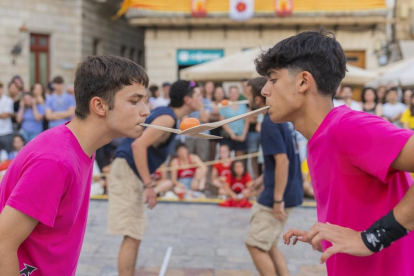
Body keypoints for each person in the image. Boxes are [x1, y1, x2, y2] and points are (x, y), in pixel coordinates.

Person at [251, 29, 414, 276]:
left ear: (304, 82)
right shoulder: (321, 137)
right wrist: (329, 233)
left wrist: (373, 237)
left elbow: (369, 238)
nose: (264, 90)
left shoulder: (346, 128)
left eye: (273, 79)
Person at [0, 55, 150, 275]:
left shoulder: (79, 147)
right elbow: (3, 244)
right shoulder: (56, 161)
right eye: (135, 101)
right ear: (99, 105)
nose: (145, 110)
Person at [108, 80, 202, 276]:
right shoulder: (167, 118)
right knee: (132, 233)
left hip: (129, 170)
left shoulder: (169, 116)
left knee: (135, 234)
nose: (201, 99)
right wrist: (149, 185)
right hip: (127, 171)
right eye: (198, 95)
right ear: (187, 99)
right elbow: (138, 146)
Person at [244, 77, 303, 276]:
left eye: (249, 94)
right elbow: (280, 160)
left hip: (278, 195)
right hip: (288, 190)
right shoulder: (281, 119)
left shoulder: (269, 122)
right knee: (269, 244)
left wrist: (277, 199)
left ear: (259, 98)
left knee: (255, 245)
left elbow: (283, 161)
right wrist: (260, 180)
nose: (248, 99)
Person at [219, 86, 249, 156]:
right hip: (228, 136)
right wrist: (231, 133)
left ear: (238, 94)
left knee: (239, 159)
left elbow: (247, 121)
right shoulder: (224, 106)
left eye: (235, 92)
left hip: (241, 135)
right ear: (229, 94)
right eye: (232, 92)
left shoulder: (243, 105)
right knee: (226, 157)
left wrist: (244, 134)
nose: (234, 94)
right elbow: (222, 121)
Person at [209, 86, 226, 161]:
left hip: (225, 129)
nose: (219, 94)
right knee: (212, 152)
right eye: (217, 92)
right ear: (214, 94)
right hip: (214, 129)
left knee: (223, 151)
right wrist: (221, 117)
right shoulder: (211, 104)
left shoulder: (227, 103)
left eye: (221, 92)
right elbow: (209, 117)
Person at [0, 82, 14, 152]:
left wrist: (3, 115)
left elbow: (6, 115)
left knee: (7, 153)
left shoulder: (8, 100)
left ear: (1, 89)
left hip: (6, 132)